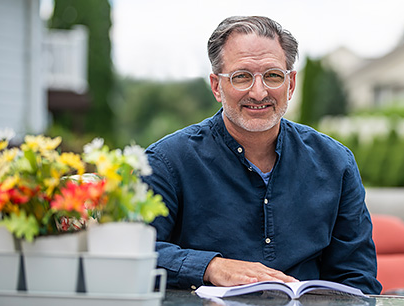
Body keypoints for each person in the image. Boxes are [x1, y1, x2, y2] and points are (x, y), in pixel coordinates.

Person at [142, 16, 382, 294]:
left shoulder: (336, 162)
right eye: (241, 76)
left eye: (273, 76)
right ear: (216, 86)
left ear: (290, 84)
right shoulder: (167, 162)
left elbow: (358, 278)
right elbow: (131, 252)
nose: (259, 92)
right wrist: (212, 267)